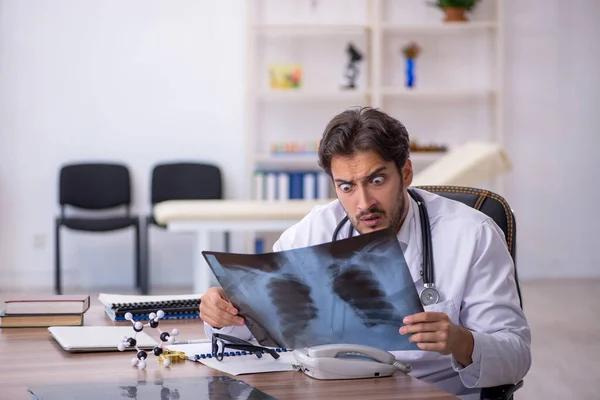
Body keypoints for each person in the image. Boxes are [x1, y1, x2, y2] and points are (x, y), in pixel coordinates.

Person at [200, 107, 531, 399]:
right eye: (346, 187)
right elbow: (260, 329)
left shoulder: (472, 234)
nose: (363, 203)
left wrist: (462, 342)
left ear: (405, 173)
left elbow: (517, 356)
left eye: (376, 180)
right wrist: (223, 314)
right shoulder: (314, 231)